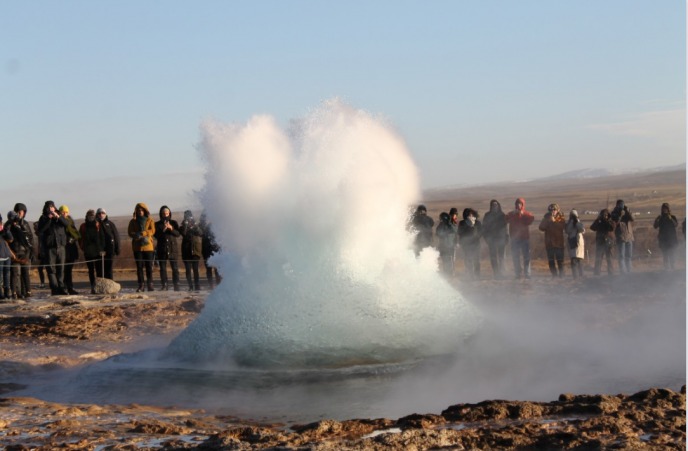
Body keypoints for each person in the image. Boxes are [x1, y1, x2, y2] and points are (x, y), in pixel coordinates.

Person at [37, 200, 70, 295]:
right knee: (51, 269)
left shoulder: (59, 216)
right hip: (50, 247)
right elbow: (41, 230)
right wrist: (48, 219)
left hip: (61, 246)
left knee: (61, 269)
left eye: (52, 207)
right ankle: (54, 288)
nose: (50, 209)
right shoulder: (43, 218)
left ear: (54, 207)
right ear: (46, 209)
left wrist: (58, 217)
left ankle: (61, 287)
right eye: (48, 207)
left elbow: (67, 224)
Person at [5, 204, 34, 298]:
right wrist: (11, 222)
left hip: (24, 251)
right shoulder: (9, 223)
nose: (19, 214)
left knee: (25, 272)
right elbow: (5, 234)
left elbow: (30, 236)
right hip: (14, 251)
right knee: (15, 272)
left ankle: (27, 291)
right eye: (18, 212)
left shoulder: (24, 223)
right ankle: (15, 292)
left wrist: (31, 250)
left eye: (21, 212)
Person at [128, 203, 156, 292]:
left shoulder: (150, 220)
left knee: (149, 267)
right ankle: (141, 285)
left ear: (145, 211)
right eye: (138, 210)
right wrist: (136, 235)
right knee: (139, 267)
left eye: (142, 210)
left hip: (148, 246)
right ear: (136, 211)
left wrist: (144, 233)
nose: (140, 212)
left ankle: (150, 284)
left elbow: (153, 231)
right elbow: (129, 232)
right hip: (137, 247)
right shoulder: (133, 221)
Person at [504, 198, 534, 279]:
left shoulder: (526, 214)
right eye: (517, 203)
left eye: (520, 204)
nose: (518, 205)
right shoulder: (512, 214)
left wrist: (523, 214)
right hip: (515, 239)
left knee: (526, 257)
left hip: (525, 238)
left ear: (523, 205)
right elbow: (506, 219)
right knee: (515, 257)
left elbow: (531, 219)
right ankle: (518, 274)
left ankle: (527, 274)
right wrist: (513, 214)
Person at [154, 206, 181, 291]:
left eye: (167, 213)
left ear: (169, 213)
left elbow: (178, 234)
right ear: (161, 214)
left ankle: (176, 284)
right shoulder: (157, 224)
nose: (165, 215)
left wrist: (171, 229)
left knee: (175, 268)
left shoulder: (174, 223)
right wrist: (163, 229)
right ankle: (164, 285)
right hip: (162, 249)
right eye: (163, 213)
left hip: (173, 249)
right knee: (163, 268)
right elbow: (156, 236)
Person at [79, 210, 105, 294]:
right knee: (90, 270)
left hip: (98, 251)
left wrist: (102, 248)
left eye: (92, 217)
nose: (91, 218)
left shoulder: (98, 225)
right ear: (87, 217)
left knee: (99, 270)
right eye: (89, 217)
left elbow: (102, 237)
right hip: (88, 251)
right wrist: (83, 247)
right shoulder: (83, 226)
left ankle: (99, 286)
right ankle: (93, 286)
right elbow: (80, 238)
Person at [482, 200, 508, 279]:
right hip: (491, 239)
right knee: (493, 257)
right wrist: (486, 238)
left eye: (496, 204)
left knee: (502, 257)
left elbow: (505, 228)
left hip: (501, 238)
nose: (494, 206)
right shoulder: (487, 215)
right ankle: (496, 273)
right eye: (493, 204)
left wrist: (506, 237)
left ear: (498, 205)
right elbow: (484, 228)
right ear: (491, 206)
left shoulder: (502, 215)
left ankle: (502, 273)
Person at [538, 203, 566, 277]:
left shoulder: (561, 218)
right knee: (551, 261)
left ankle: (562, 275)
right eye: (551, 210)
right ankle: (554, 275)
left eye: (554, 210)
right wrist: (547, 221)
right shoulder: (546, 218)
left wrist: (554, 221)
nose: (552, 211)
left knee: (560, 261)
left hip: (559, 244)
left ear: (557, 210)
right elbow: (541, 228)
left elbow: (562, 227)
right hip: (549, 243)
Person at [59, 205, 80, 295]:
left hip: (71, 248)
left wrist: (72, 239)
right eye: (63, 212)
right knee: (62, 269)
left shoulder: (70, 222)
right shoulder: (59, 222)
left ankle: (70, 287)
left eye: (66, 212)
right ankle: (63, 287)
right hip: (63, 248)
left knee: (69, 269)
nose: (64, 214)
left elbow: (76, 234)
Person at [180, 210, 203, 291]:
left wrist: (196, 226)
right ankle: (190, 286)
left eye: (190, 216)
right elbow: (183, 233)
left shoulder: (195, 225)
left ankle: (197, 285)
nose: (189, 218)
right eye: (187, 216)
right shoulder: (182, 226)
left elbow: (200, 233)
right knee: (188, 270)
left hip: (195, 250)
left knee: (196, 269)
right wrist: (186, 225)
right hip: (186, 250)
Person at [610, 200, 634, 273]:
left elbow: (633, 218)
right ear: (617, 205)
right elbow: (614, 223)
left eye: (622, 204)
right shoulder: (614, 213)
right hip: (621, 237)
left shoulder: (626, 212)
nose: (621, 206)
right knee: (621, 256)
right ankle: (623, 271)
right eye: (620, 205)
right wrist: (620, 215)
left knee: (629, 256)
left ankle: (629, 271)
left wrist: (628, 211)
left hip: (629, 236)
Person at [458, 208, 482, 280]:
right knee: (468, 260)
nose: (470, 215)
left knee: (476, 259)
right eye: (468, 214)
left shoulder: (477, 223)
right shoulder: (462, 223)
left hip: (476, 244)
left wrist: (476, 237)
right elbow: (460, 233)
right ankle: (470, 275)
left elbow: (481, 232)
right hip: (466, 244)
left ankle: (477, 275)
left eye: (471, 213)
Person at [590, 209, 616, 276]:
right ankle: (597, 274)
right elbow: (592, 228)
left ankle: (611, 274)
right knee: (598, 259)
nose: (605, 217)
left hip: (609, 243)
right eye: (603, 215)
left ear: (608, 215)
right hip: (600, 242)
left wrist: (606, 221)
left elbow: (612, 228)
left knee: (609, 259)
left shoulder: (611, 222)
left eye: (606, 215)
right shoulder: (599, 222)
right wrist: (597, 219)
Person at [653, 203, 679, 270]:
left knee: (672, 255)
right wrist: (656, 221)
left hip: (671, 240)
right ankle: (666, 269)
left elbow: (676, 225)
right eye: (663, 209)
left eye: (666, 209)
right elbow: (655, 226)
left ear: (668, 209)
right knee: (665, 255)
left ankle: (672, 268)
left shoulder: (672, 217)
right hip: (663, 240)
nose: (665, 210)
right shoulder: (660, 218)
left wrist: (671, 219)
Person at [96, 208, 120, 281]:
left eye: (102, 213)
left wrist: (117, 248)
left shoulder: (110, 224)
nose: (101, 215)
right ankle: (100, 286)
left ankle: (110, 285)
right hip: (98, 251)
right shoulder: (95, 224)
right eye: (99, 213)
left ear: (105, 214)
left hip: (110, 249)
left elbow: (116, 236)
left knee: (109, 269)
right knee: (99, 270)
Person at [199, 213, 222, 289]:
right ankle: (211, 285)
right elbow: (199, 233)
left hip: (215, 249)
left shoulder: (215, 225)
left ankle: (218, 285)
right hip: (206, 249)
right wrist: (205, 226)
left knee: (217, 269)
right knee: (208, 269)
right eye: (205, 217)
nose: (207, 219)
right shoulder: (201, 226)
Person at [435, 212, 457, 277]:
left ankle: (451, 273)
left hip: (450, 246)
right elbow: (437, 233)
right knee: (444, 260)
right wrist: (441, 225)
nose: (440, 220)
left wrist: (449, 223)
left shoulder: (451, 225)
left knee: (450, 260)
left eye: (441, 218)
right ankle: (446, 273)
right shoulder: (440, 225)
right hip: (443, 246)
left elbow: (455, 230)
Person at [565, 209, 585, 279]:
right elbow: (567, 231)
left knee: (580, 261)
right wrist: (571, 223)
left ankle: (581, 276)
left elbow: (582, 230)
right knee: (573, 261)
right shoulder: (569, 223)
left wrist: (576, 222)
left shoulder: (579, 223)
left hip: (579, 244)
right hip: (572, 243)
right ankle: (575, 277)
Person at [0, 216, 12, 300]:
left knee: (7, 275)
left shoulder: (3, 231)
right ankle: (0, 294)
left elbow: (11, 238)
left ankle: (7, 293)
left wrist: (5, 230)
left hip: (7, 256)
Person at [32, 222, 46, 289]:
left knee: (47, 268)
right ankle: (43, 283)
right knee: (40, 268)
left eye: (35, 227)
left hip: (45, 253)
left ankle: (44, 283)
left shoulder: (41, 234)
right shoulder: (39, 234)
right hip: (42, 253)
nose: (34, 229)